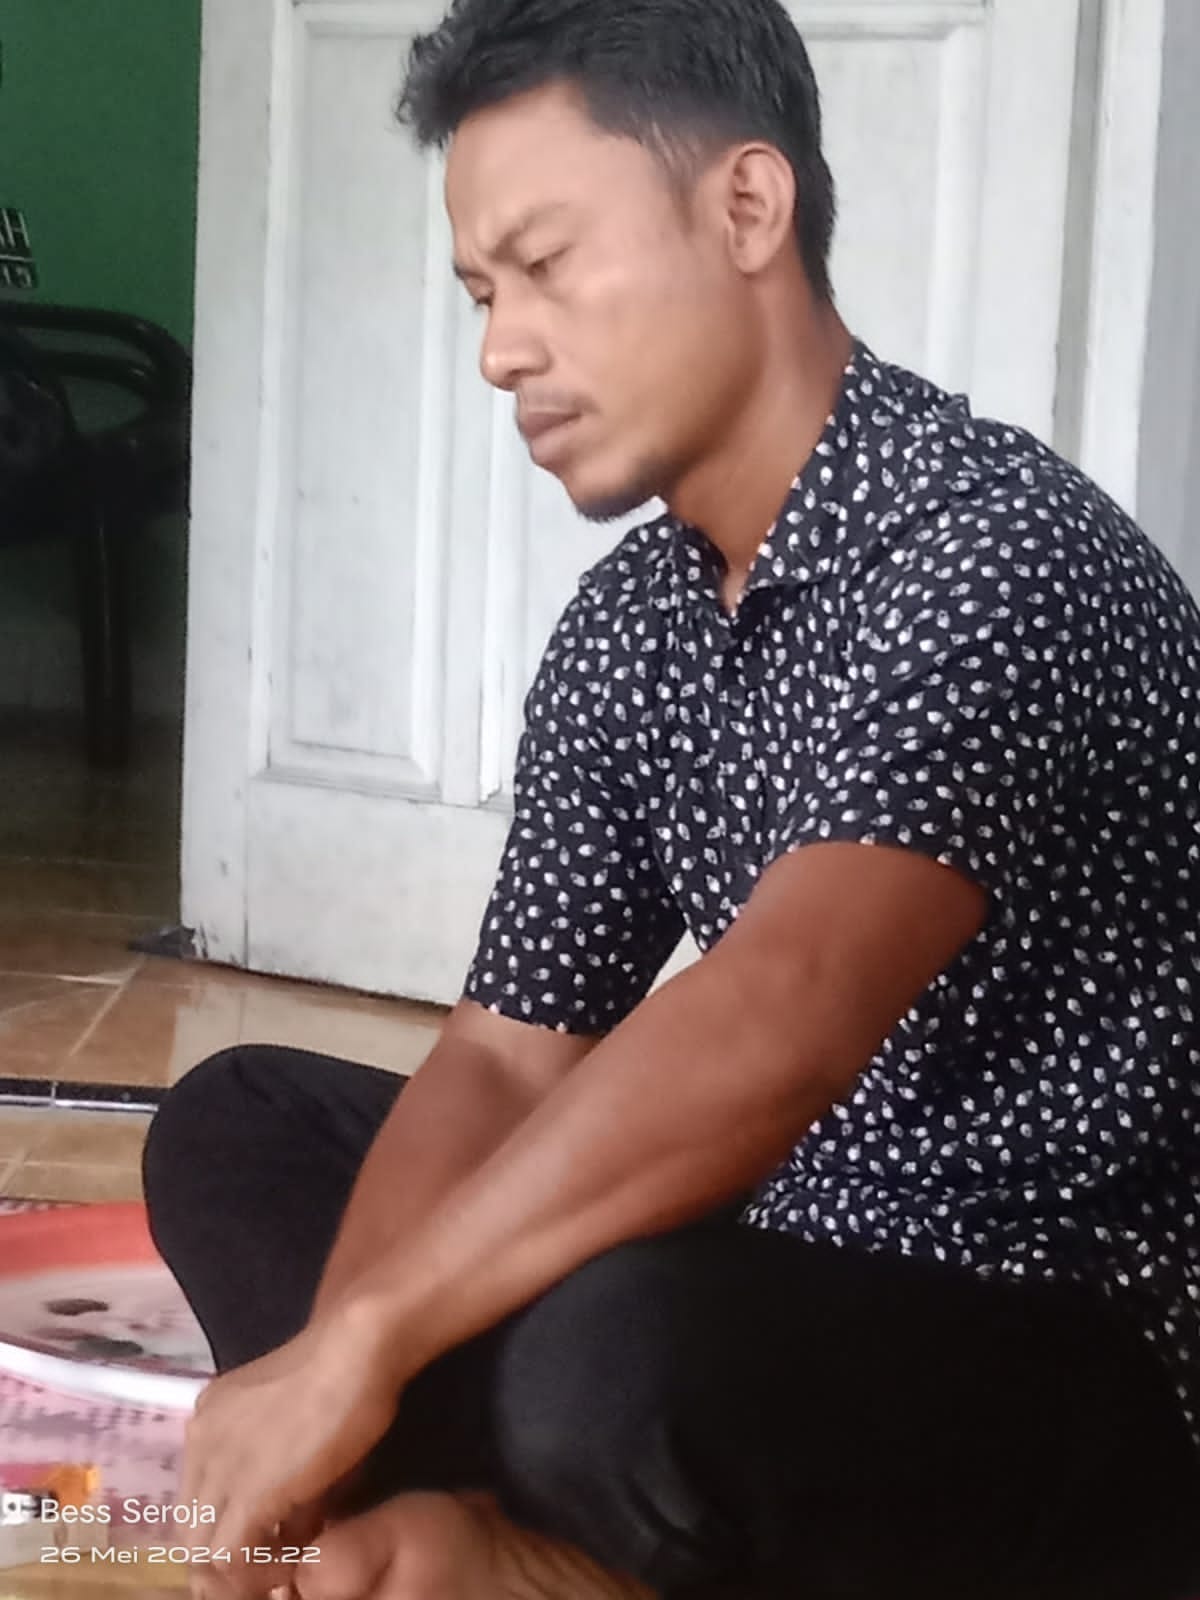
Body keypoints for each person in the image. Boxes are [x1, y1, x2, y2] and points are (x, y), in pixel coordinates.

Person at [142, 2, 1200, 1596]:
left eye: (545, 265)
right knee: (244, 1128)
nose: (501, 349)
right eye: (483, 294)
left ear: (748, 207)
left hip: (1060, 1340)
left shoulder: (993, 554)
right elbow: (505, 1056)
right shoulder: (633, 625)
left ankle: (568, 1562)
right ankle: (472, 1526)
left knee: (609, 1357)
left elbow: (784, 1009)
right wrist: (338, 1399)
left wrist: (371, 1343)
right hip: (785, 1260)